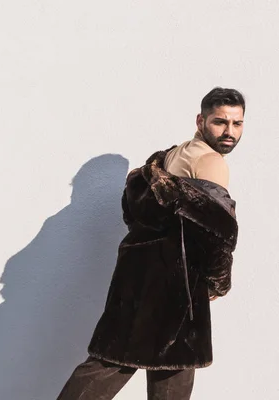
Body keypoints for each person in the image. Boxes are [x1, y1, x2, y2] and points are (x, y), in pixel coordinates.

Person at [56, 87, 243, 400]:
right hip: (176, 283)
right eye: (220, 122)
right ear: (200, 120)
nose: (229, 132)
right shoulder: (211, 162)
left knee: (111, 361)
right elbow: (218, 234)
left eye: (237, 124)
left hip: (136, 274)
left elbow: (141, 212)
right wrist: (216, 283)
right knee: (170, 373)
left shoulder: (171, 155)